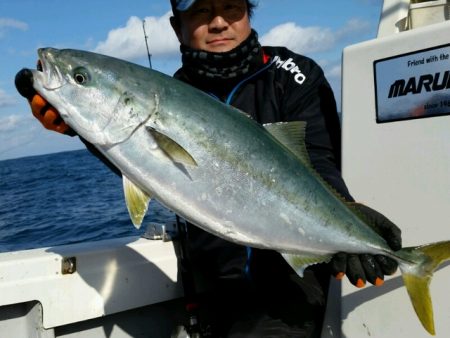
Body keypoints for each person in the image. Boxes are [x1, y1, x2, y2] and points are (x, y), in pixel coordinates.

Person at [17, 0, 402, 336]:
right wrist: (80, 125)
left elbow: (318, 164)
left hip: (291, 291)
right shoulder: (174, 90)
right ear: (176, 26)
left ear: (249, 14)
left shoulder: (293, 75)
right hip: (211, 291)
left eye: (231, 8)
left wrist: (349, 221)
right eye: (201, 11)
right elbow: (140, 160)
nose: (218, 22)